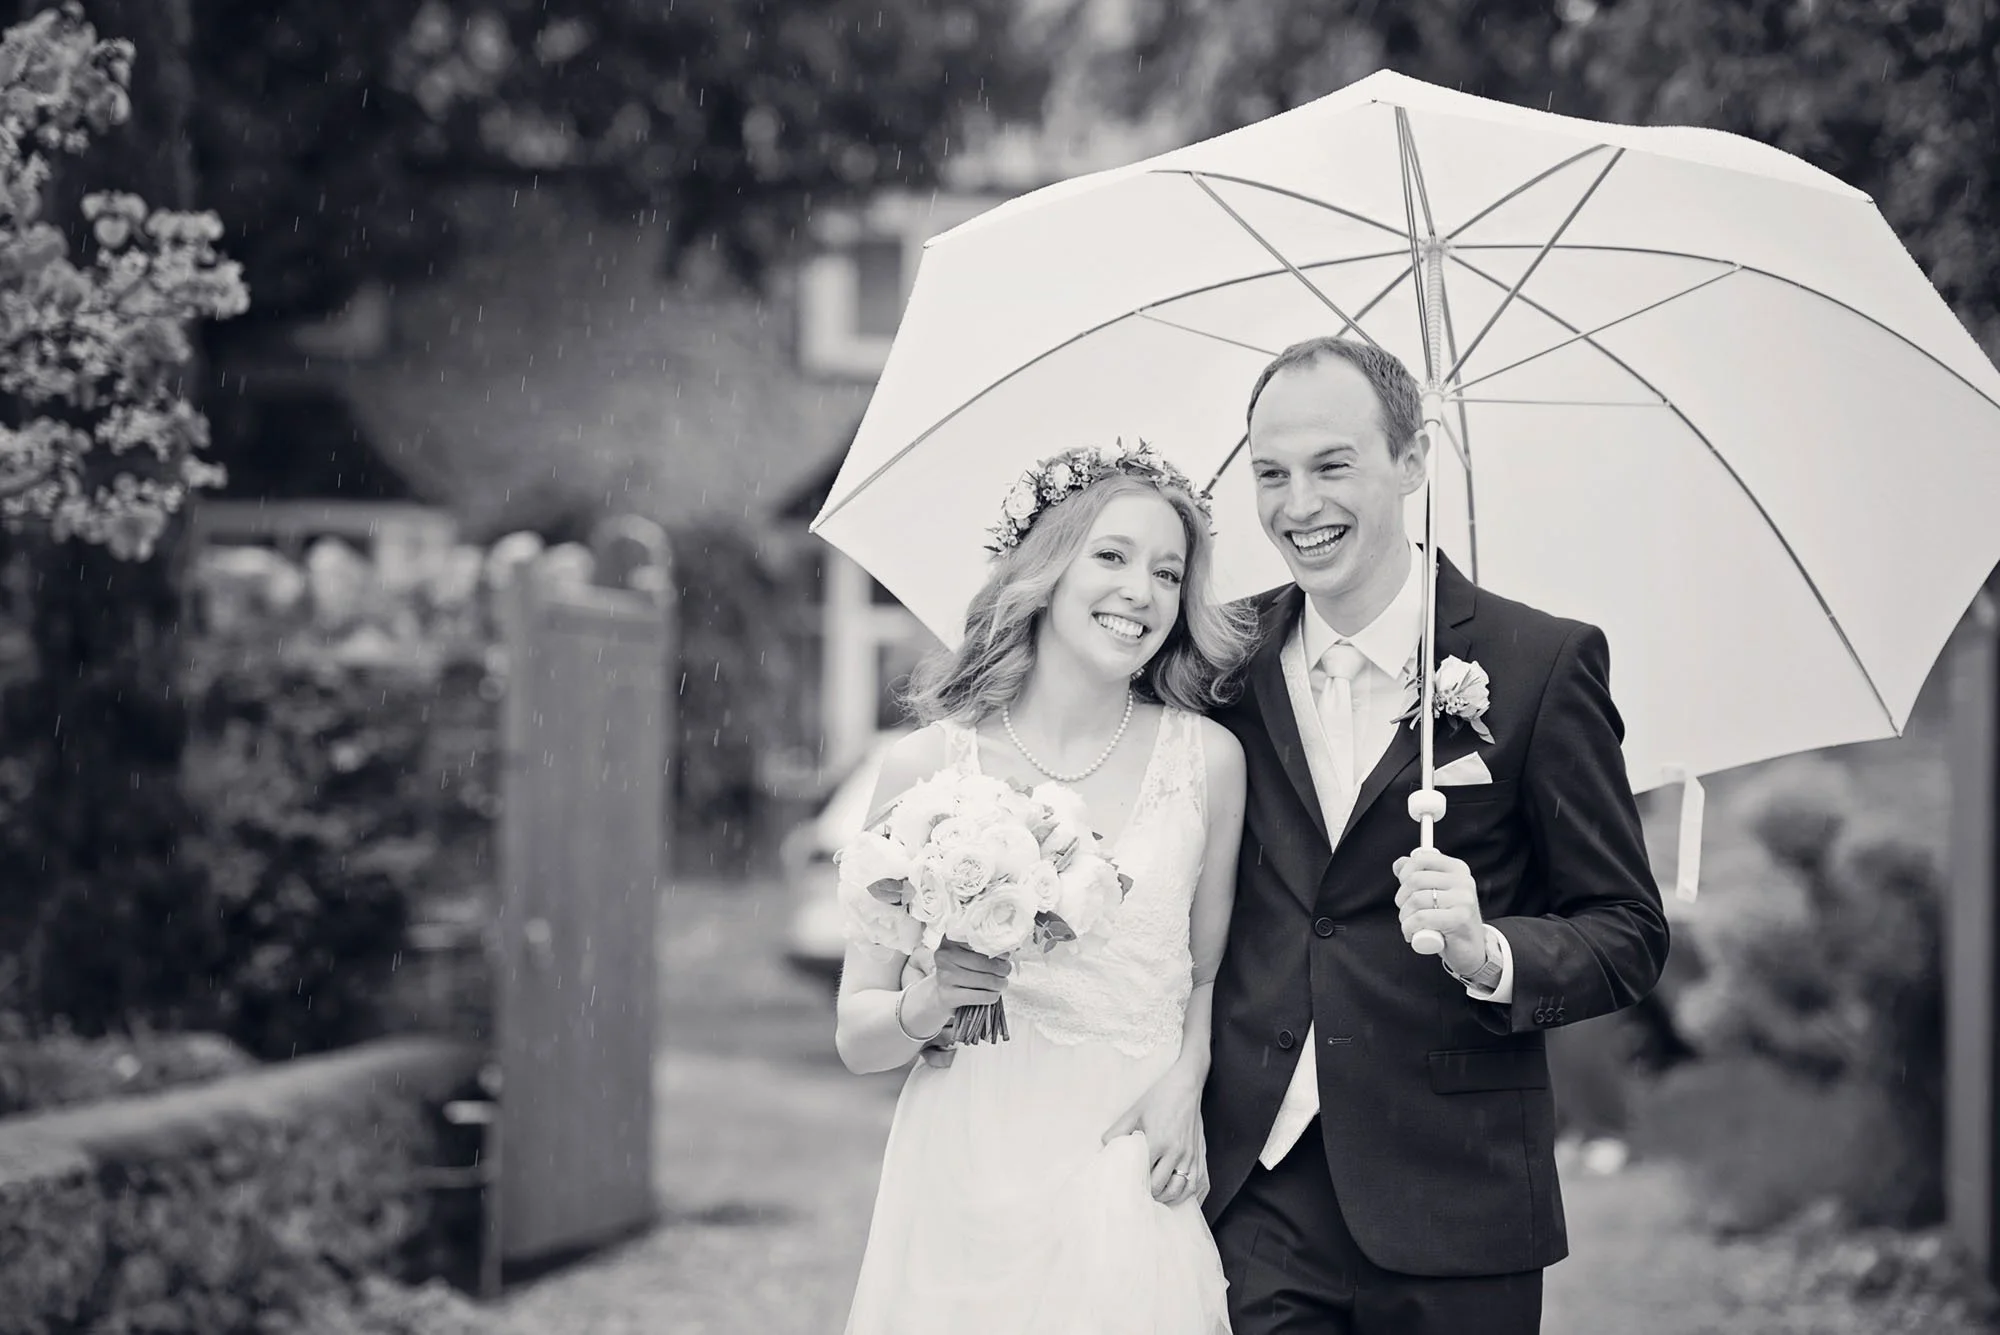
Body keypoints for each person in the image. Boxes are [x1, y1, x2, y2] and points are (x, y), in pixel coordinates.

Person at [1201, 337, 1672, 1335]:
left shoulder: (1539, 663)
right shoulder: (1216, 663)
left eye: (1332, 466)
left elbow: (1625, 930)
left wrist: (1488, 950)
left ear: (1412, 462)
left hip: (1460, 1195)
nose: (1297, 506)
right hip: (1256, 1187)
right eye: (1269, 474)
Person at [835, 443, 1256, 1335]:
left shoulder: (1208, 762)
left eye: (1169, 572)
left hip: (1125, 1154)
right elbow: (856, 1036)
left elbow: (1209, 973)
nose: (1141, 591)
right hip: (964, 1157)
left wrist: (1189, 1075)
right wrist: (930, 1001)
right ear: (1047, 568)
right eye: (1112, 556)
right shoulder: (925, 768)